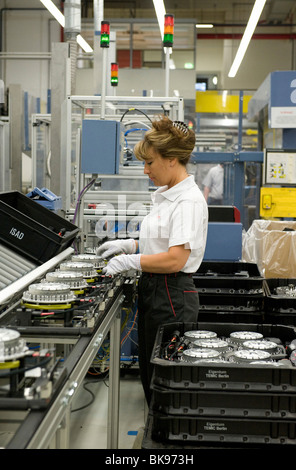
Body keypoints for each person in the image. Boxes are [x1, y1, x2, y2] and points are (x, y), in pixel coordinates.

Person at [97, 115, 208, 405]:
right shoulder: (166, 195)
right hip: (156, 290)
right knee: (151, 375)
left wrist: (130, 262)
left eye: (150, 162)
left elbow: (174, 259)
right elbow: (161, 243)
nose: (145, 170)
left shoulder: (187, 201)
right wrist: (129, 245)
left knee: (165, 382)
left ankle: (168, 445)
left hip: (171, 295)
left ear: (171, 159)